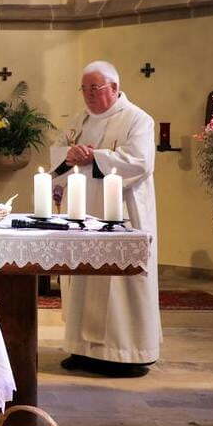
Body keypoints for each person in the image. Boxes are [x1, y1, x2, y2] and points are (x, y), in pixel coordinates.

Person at [49, 60, 161, 377]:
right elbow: (57, 152)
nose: (88, 94)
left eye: (94, 88)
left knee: (120, 284)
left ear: (114, 87)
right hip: (82, 212)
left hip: (122, 214)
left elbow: (140, 162)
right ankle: (82, 349)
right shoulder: (79, 119)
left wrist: (94, 157)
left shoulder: (137, 119)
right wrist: (69, 155)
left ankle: (126, 353)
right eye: (84, 88)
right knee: (82, 279)